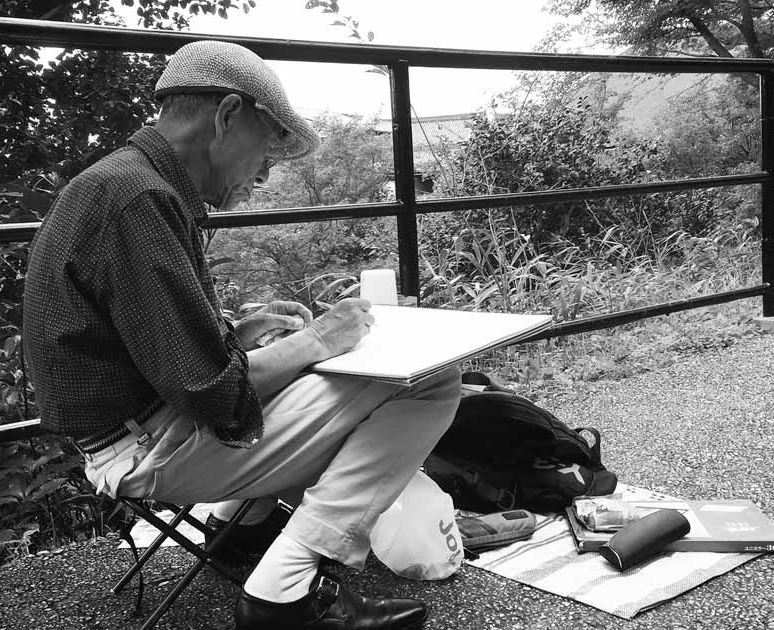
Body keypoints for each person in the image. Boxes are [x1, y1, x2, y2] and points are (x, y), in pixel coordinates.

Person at [23, 40, 460, 630]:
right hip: (148, 449)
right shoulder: (140, 200)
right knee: (432, 381)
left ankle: (237, 531)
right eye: (270, 147)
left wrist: (239, 331)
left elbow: (149, 343)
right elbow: (215, 395)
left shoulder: (126, 182)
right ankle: (281, 594)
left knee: (326, 372)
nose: (268, 170)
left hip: (133, 430)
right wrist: (322, 338)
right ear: (227, 115)